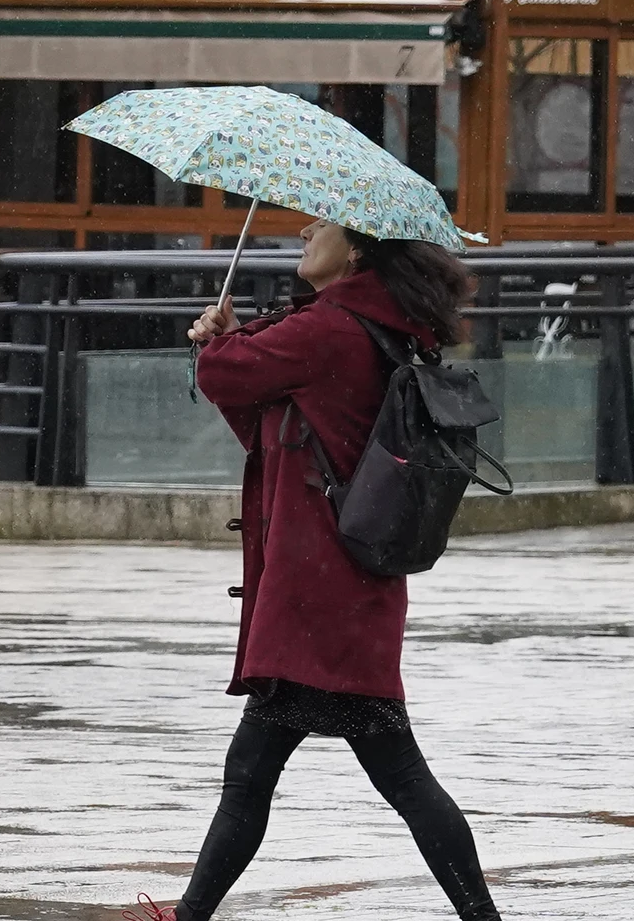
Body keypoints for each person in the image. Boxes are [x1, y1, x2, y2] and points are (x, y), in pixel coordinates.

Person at [124, 218, 500, 921]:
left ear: (355, 247)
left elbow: (225, 373)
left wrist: (216, 342)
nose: (303, 229)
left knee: (270, 776)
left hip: (316, 598)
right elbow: (279, 432)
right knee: (379, 774)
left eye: (319, 223)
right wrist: (230, 345)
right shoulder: (377, 326)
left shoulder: (329, 329)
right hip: (348, 591)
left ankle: (188, 916)